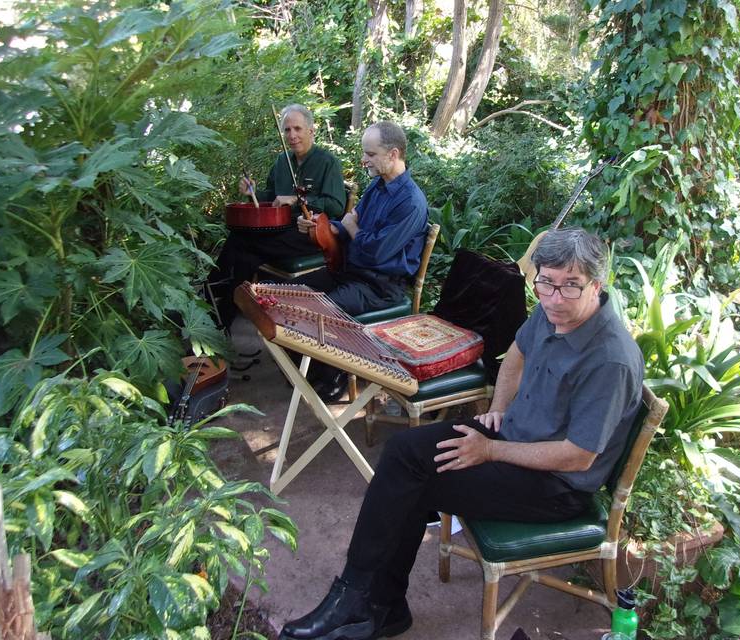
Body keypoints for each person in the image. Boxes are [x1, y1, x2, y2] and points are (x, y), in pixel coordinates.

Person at [278, 228, 645, 640]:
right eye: (546, 282)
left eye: (570, 287)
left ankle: (371, 603)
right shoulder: (552, 308)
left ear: (597, 284)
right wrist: (498, 409)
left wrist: (488, 450)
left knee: (414, 484)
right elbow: (516, 355)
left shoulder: (611, 359)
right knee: (403, 452)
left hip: (555, 485)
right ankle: (361, 596)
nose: (555, 297)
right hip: (511, 437)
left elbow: (578, 457)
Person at [292, 120, 429, 400]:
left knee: (325, 311)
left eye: (370, 154)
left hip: (380, 287)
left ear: (392, 154)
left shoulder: (411, 202)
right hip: (351, 271)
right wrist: (325, 228)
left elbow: (376, 251)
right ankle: (305, 367)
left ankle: (334, 376)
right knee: (291, 294)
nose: (363, 159)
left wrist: (352, 227)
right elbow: (348, 226)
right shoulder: (378, 186)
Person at [208, 104, 346, 331]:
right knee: (241, 248)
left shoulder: (327, 162)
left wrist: (297, 200)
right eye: (287, 130)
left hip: (308, 234)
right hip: (280, 231)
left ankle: (214, 306)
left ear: (311, 130)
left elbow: (336, 206)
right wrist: (252, 192)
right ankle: (220, 314)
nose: (292, 136)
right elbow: (272, 196)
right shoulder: (283, 161)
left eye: (298, 129)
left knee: (244, 247)